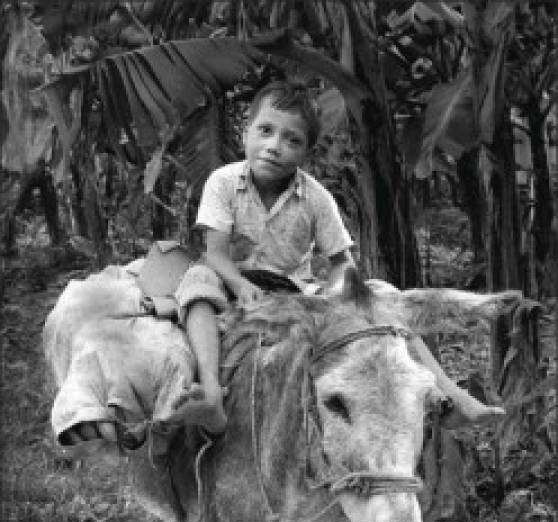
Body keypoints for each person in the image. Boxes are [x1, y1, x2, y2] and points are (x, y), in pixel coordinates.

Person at [175, 80, 504, 435]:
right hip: (229, 280)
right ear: (246, 133)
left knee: (380, 295)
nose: (275, 147)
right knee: (196, 282)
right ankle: (210, 392)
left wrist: (333, 292)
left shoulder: (316, 197)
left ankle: (451, 395)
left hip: (292, 290)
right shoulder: (223, 182)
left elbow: (342, 261)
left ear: (306, 152)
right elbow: (215, 252)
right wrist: (239, 285)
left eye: (292, 140)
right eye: (266, 131)